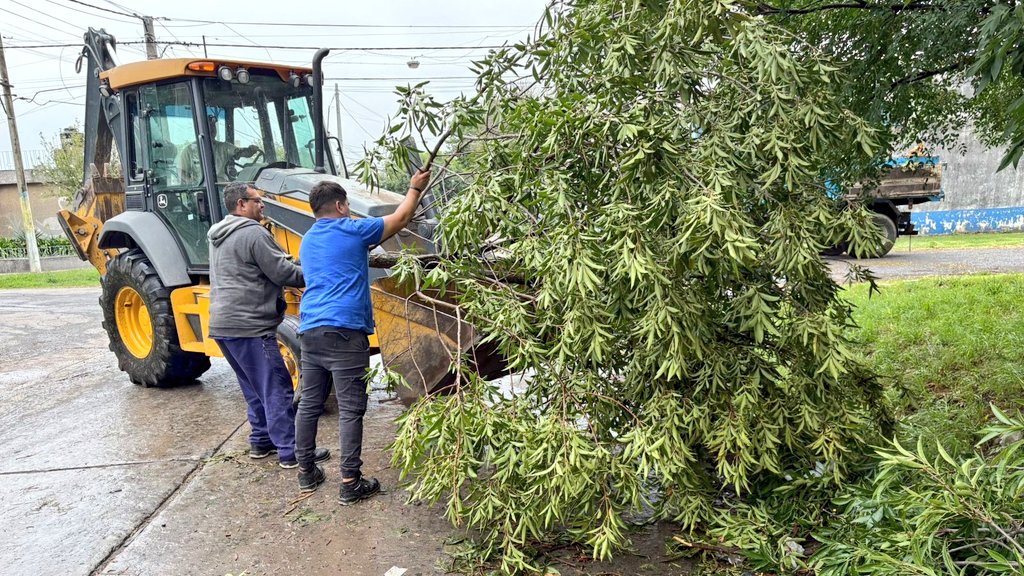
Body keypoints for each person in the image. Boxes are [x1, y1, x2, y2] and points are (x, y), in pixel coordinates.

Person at [293, 168, 431, 503]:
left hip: (309, 329)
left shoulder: (308, 239)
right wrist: (414, 187)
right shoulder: (352, 229)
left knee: (310, 403)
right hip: (345, 331)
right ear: (341, 206)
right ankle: (350, 482)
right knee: (352, 408)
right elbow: (400, 219)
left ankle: (306, 472)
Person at [208, 182, 329, 469]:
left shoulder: (219, 234)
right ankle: (292, 452)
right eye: (257, 201)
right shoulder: (252, 233)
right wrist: (319, 270)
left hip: (224, 325)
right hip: (250, 325)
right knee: (277, 387)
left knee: (253, 387)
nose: (262, 205)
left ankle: (261, 441)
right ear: (241, 204)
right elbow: (282, 271)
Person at [180, 115, 260, 183]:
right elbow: (181, 172)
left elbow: (240, 153)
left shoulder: (224, 147)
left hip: (223, 187)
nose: (212, 129)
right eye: (208, 126)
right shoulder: (189, 151)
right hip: (202, 191)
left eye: (213, 126)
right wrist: (193, 183)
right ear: (200, 129)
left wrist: (250, 150)